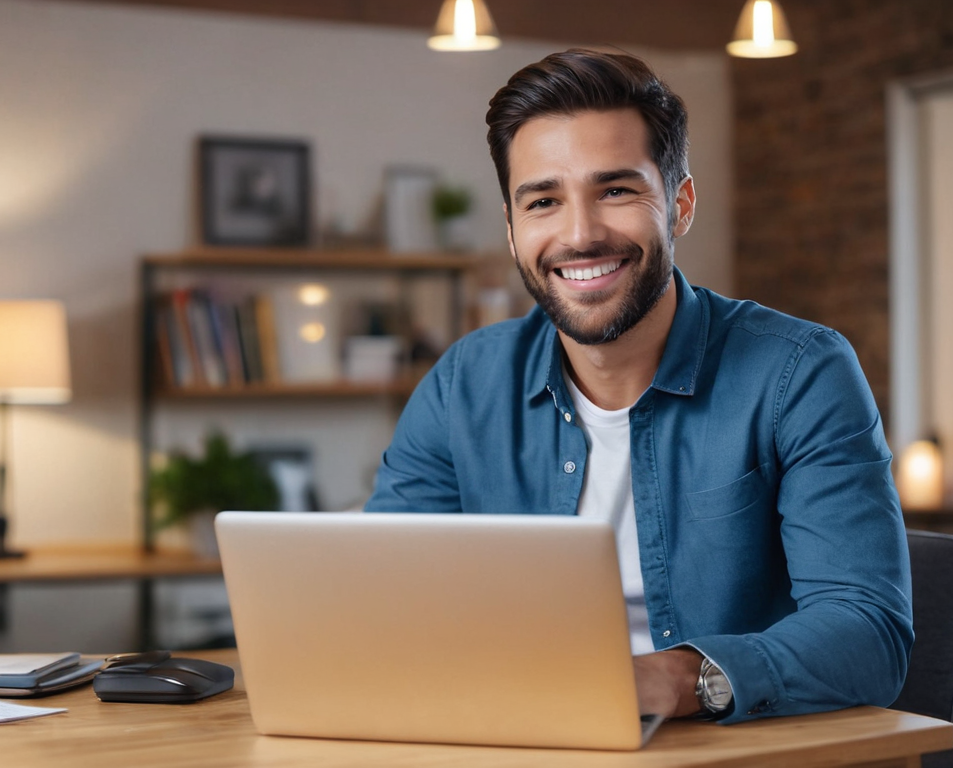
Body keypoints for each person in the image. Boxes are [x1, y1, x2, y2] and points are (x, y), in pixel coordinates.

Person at [365, 49, 913, 724]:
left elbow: (868, 635)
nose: (579, 234)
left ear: (679, 204)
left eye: (616, 191)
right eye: (543, 201)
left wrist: (676, 683)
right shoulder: (463, 385)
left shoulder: (801, 374)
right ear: (511, 231)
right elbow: (385, 603)